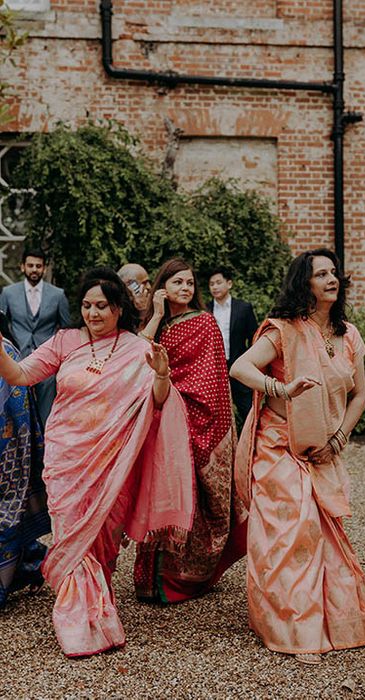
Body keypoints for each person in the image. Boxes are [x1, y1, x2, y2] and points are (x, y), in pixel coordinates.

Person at [0, 267, 195, 657]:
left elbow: (156, 403)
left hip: (111, 464)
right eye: (87, 306)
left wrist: (162, 376)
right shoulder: (65, 341)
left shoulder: (136, 349)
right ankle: (79, 625)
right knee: (73, 536)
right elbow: (21, 374)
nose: (93, 313)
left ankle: (99, 607)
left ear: (119, 309)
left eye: (102, 306)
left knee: (101, 543)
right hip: (65, 460)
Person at [231, 248, 365, 664]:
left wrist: (340, 437)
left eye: (334, 272)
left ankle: (333, 620)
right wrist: (281, 389)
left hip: (323, 447)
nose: (331, 279)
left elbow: (360, 393)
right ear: (305, 284)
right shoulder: (283, 330)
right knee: (294, 531)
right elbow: (241, 368)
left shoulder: (348, 334)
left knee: (320, 530)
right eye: (321, 274)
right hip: (278, 445)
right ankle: (296, 629)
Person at [134, 258, 246, 604]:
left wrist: (182, 409)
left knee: (195, 500)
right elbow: (137, 355)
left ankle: (184, 579)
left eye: (190, 283)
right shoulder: (158, 324)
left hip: (195, 422)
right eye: (178, 282)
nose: (185, 288)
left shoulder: (205, 323)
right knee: (160, 496)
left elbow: (210, 380)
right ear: (163, 287)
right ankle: (151, 581)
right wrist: (154, 313)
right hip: (159, 420)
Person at [0, 311, 48, 610]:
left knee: (8, 517)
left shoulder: (7, 352)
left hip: (9, 452)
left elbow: (19, 412)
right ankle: (31, 562)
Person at [0, 248, 70, 427]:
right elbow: (2, 324)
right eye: (30, 265)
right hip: (17, 361)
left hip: (48, 363)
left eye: (38, 266)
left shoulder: (58, 295)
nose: (34, 269)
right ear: (22, 267)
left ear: (44, 269)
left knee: (46, 411)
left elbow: (66, 329)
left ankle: (47, 448)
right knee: (16, 413)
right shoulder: (8, 293)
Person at [207, 267, 258, 426]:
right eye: (211, 284)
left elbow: (254, 338)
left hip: (238, 364)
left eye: (218, 282)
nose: (214, 287)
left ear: (229, 284)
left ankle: (252, 445)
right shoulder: (205, 310)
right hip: (214, 368)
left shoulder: (243, 308)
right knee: (214, 413)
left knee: (248, 410)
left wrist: (251, 363)